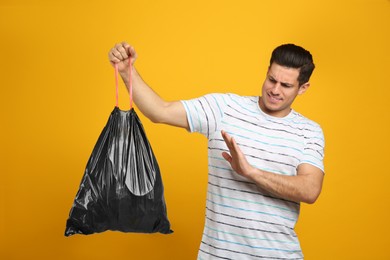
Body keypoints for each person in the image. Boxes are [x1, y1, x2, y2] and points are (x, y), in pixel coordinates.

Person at [108, 42, 325, 259]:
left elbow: (310, 189)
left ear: (302, 88)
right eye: (271, 80)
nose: (275, 90)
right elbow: (160, 111)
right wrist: (128, 72)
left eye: (286, 85)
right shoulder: (223, 108)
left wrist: (250, 172)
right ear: (267, 72)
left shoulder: (309, 131)